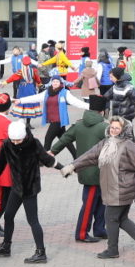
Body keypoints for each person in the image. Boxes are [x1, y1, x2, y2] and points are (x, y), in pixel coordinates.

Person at [62, 114, 135, 261]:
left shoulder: (129, 146)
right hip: (112, 188)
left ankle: (112, 249)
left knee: (111, 218)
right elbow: (90, 156)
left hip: (122, 188)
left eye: (117, 128)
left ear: (123, 130)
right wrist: (73, 165)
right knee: (121, 219)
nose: (114, 130)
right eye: (112, 127)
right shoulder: (105, 143)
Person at [0, 119, 61, 264]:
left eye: (18, 140)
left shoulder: (34, 144)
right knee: (8, 216)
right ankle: (6, 246)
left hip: (30, 189)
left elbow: (47, 160)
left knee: (33, 220)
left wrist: (63, 168)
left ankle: (41, 252)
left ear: (24, 136)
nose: (15, 143)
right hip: (17, 188)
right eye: (13, 140)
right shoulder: (7, 144)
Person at [50, 92, 110, 243]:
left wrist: (52, 151)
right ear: (102, 111)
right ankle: (82, 233)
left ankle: (99, 229)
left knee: (100, 201)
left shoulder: (79, 125)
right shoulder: (104, 127)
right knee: (91, 204)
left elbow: (64, 139)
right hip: (99, 171)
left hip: (85, 170)